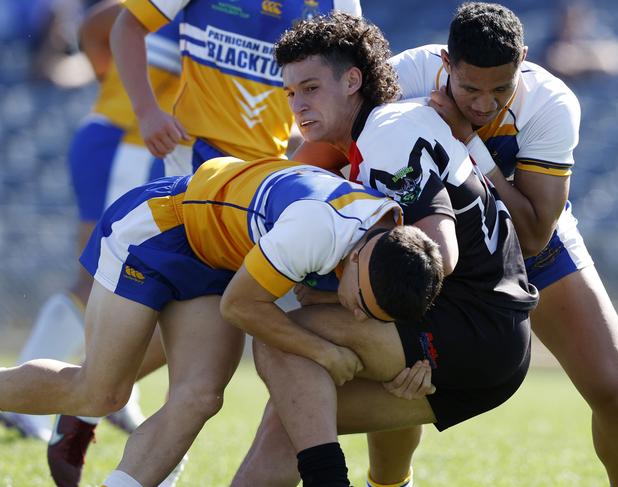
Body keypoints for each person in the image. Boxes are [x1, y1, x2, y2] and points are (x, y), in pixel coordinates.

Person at [229, 12, 538, 487]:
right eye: (291, 93)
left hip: (473, 328)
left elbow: (440, 251)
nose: (298, 106)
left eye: (311, 88)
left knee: (278, 340)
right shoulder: (378, 136)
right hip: (491, 342)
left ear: (353, 79)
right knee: (294, 418)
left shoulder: (387, 134)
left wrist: (387, 312)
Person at [0, 155, 441, 487]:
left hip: (217, 260)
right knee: (100, 393)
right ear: (362, 254)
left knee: (200, 397)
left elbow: (313, 294)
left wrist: (413, 368)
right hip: (158, 230)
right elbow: (241, 307)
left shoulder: (387, 238)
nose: (358, 313)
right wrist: (324, 351)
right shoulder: (321, 228)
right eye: (361, 301)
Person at [375, 2, 618, 486]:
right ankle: (389, 484)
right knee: (402, 388)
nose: (483, 104)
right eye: (469, 88)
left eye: (500, 88)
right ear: (445, 62)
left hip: (531, 247)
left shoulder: (549, 102)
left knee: (617, 394)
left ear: (523, 58)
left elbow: (533, 233)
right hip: (439, 251)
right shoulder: (403, 78)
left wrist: (468, 143)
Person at [0, 0, 177, 448]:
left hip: (140, 146)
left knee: (139, 281)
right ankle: (20, 401)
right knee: (99, 280)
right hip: (129, 142)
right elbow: (103, 24)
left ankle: (116, 390)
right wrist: (112, 82)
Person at [110, 0, 362, 175]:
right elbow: (127, 26)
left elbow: (353, 75)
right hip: (194, 155)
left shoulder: (340, 2)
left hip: (271, 165)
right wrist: (146, 112)